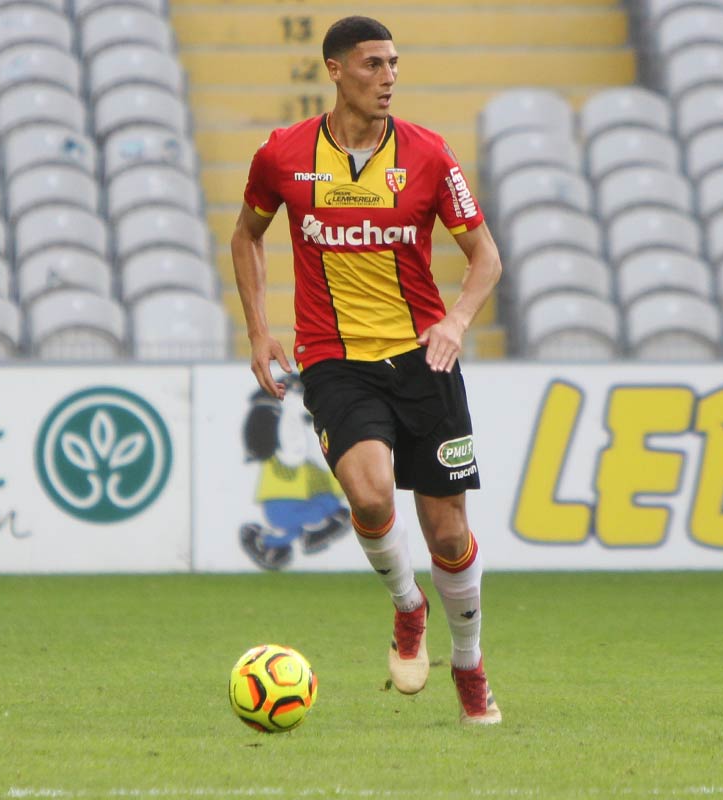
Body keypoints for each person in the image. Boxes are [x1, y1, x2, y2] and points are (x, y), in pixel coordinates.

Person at [229, 15, 504, 725]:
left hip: (425, 358)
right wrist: (259, 329)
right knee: (373, 495)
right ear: (334, 69)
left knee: (448, 535)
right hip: (335, 360)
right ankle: (408, 607)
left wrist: (455, 321)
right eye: (373, 64)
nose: (388, 78)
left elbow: (486, 259)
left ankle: (469, 666)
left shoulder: (430, 155)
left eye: (394, 64)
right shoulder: (284, 155)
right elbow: (247, 235)